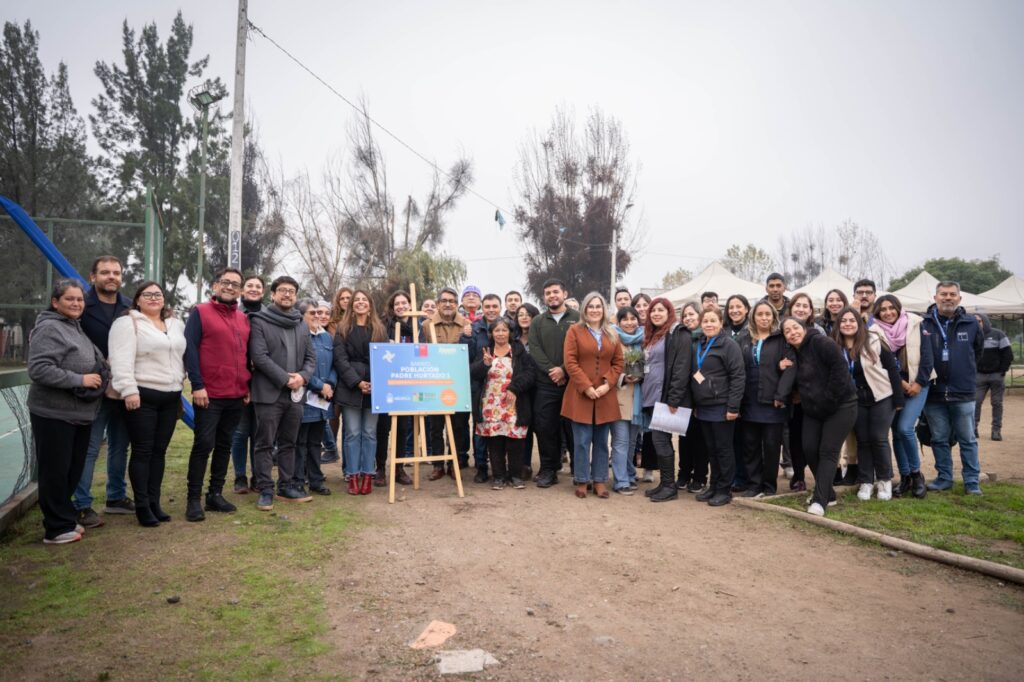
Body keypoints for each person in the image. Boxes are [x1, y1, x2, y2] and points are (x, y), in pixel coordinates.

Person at [28, 280, 105, 544]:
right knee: (55, 471)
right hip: (53, 413)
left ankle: (65, 517)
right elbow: (38, 369)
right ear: (55, 302)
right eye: (70, 299)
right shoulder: (49, 328)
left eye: (80, 300)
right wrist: (79, 380)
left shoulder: (74, 327)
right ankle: (56, 528)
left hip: (78, 414)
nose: (76, 304)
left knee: (71, 469)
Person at [109, 282, 186, 527]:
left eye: (158, 294)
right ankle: (142, 506)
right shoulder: (127, 323)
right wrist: (129, 390)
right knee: (142, 450)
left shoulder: (176, 324)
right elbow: (121, 360)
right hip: (142, 395)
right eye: (147, 294)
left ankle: (154, 502)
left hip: (171, 395)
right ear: (138, 299)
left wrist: (182, 379)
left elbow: (181, 356)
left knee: (159, 451)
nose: (153, 298)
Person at [184, 268, 251, 522]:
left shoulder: (243, 319)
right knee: (203, 445)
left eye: (235, 284)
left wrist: (246, 386)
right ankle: (193, 499)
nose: (230, 287)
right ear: (215, 285)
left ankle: (215, 494)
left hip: (236, 394)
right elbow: (189, 349)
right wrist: (197, 384)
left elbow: (244, 355)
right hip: (209, 394)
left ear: (241, 291)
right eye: (226, 282)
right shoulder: (200, 312)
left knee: (225, 445)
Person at [249, 276, 316, 511]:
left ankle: (285, 485)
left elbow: (310, 358)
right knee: (265, 443)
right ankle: (265, 489)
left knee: (290, 442)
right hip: (269, 394)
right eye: (283, 291)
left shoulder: (301, 324)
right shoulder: (259, 321)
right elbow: (259, 356)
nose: (287, 295)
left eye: (291, 291)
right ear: (273, 295)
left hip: (295, 395)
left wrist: (303, 377)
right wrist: (285, 378)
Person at [74, 256, 132, 528]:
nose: (112, 277)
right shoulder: (80, 305)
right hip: (93, 389)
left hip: (123, 389)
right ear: (93, 276)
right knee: (89, 448)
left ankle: (116, 497)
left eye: (116, 273)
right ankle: (82, 505)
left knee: (121, 445)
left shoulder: (129, 307)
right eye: (105, 272)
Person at [781, 317, 857, 516]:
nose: (792, 332)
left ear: (804, 328)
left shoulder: (822, 342)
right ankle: (829, 493)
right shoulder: (794, 354)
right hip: (813, 409)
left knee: (828, 451)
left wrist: (828, 402)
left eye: (795, 327)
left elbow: (840, 371)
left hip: (841, 405)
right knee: (809, 448)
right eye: (787, 331)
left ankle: (820, 501)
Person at [833, 307, 903, 501]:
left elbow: (892, 369)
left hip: (881, 396)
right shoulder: (835, 346)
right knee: (863, 440)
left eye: (851, 320)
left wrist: (898, 400)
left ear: (859, 323)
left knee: (878, 438)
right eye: (843, 321)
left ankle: (884, 480)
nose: (848, 324)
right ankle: (866, 481)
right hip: (856, 400)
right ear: (838, 325)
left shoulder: (873, 341)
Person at [921, 281, 984, 494]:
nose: (948, 298)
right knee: (939, 438)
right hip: (934, 392)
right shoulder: (924, 323)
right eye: (943, 294)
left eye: (952, 294)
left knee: (967, 439)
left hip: (963, 392)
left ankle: (972, 481)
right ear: (935, 297)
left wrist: (964, 373)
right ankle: (944, 477)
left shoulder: (972, 323)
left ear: (959, 298)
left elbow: (977, 352)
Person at [561, 292, 623, 499]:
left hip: (604, 395)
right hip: (581, 394)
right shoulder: (574, 331)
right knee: (581, 441)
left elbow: (618, 363)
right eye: (591, 306)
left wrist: (608, 384)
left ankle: (599, 480)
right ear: (584, 310)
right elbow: (570, 362)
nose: (595, 310)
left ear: (604, 310)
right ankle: (581, 479)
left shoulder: (612, 333)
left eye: (598, 306)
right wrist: (586, 386)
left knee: (601, 441)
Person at [873, 295, 933, 499]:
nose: (888, 312)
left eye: (891, 308)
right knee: (896, 433)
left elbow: (928, 356)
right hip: (892, 387)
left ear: (898, 309)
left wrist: (918, 383)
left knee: (905, 428)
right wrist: (901, 383)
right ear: (877, 313)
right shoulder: (874, 331)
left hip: (919, 385)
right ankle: (905, 477)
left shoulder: (916, 324)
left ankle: (917, 475)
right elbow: (880, 363)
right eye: (883, 309)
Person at [470, 318, 537, 489]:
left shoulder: (518, 350)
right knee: (495, 441)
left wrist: (514, 388)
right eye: (497, 330)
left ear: (510, 332)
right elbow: (473, 373)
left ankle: (515, 475)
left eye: (504, 330)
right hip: (491, 404)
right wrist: (484, 364)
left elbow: (530, 373)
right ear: (491, 334)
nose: (500, 333)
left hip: (514, 403)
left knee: (515, 440)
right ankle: (498, 477)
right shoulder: (486, 350)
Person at [736, 302, 794, 497]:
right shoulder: (743, 339)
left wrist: (781, 395)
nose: (764, 318)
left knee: (770, 446)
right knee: (750, 445)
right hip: (748, 400)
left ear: (773, 317)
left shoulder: (781, 339)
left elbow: (790, 369)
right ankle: (754, 485)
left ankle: (769, 487)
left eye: (767, 314)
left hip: (773, 401)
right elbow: (737, 369)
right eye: (759, 314)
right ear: (753, 317)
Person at [334, 290, 388, 495]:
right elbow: (340, 359)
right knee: (353, 433)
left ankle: (368, 474)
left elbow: (385, 358)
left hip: (375, 388)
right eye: (356, 300)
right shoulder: (342, 329)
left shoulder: (379, 329)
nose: (360, 303)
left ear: (370, 305)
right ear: (351, 306)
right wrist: (357, 382)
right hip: (350, 388)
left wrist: (375, 381)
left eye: (364, 300)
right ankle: (353, 475)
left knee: (370, 433)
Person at [639, 298, 692, 502]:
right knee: (659, 440)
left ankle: (670, 486)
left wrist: (673, 398)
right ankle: (665, 483)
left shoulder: (678, 333)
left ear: (669, 312)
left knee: (661, 440)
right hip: (653, 396)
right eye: (653, 310)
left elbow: (681, 367)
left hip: (668, 398)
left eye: (661, 310)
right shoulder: (653, 336)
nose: (656, 313)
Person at [691, 308, 745, 506]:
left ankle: (724, 489)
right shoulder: (700, 344)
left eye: (713, 320)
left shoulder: (728, 345)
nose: (709, 324)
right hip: (704, 407)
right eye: (705, 320)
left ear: (721, 323)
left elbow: (738, 377)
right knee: (711, 449)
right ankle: (713, 486)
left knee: (723, 449)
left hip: (722, 406)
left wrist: (733, 407)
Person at [530, 278, 581, 488]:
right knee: (545, 428)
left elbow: (582, 349)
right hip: (546, 384)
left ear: (564, 293)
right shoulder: (538, 322)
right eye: (548, 293)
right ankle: (549, 470)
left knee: (574, 428)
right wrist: (553, 371)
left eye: (555, 292)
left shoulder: (578, 318)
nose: (552, 295)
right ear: (544, 297)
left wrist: (564, 370)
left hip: (573, 383)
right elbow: (534, 349)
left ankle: (579, 471)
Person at [424, 287, 473, 480]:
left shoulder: (466, 325)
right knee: (436, 426)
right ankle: (438, 464)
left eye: (451, 301)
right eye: (444, 300)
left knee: (459, 425)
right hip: (434, 384)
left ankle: (455, 462)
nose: (447, 304)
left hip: (458, 384)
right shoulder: (426, 326)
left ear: (456, 304)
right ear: (437, 304)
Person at [290, 298, 336, 496]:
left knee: (315, 442)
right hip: (303, 398)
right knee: (300, 443)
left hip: (322, 401)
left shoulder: (326, 338)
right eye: (313, 313)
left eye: (319, 312)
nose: (318, 316)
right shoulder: (297, 337)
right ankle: (298, 480)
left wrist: (330, 385)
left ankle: (316, 480)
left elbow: (334, 365)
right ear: (302, 316)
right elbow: (299, 368)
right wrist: (320, 386)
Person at [375, 290, 416, 486]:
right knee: (383, 428)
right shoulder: (384, 325)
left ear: (410, 304)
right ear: (392, 307)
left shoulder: (418, 326)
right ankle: (380, 468)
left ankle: (399, 468)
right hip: (388, 382)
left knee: (402, 427)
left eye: (404, 303)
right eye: (397, 303)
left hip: (407, 384)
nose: (400, 306)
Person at [464, 293, 504, 482]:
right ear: (482, 307)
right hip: (479, 385)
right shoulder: (474, 329)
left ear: (500, 307)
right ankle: (481, 466)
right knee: (479, 428)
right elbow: (468, 360)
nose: (491, 309)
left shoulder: (507, 328)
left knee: (501, 426)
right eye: (487, 306)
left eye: (494, 306)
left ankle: (500, 467)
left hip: (502, 387)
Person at [231, 274, 264, 494]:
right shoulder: (234, 314)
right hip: (240, 381)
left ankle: (258, 476)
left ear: (263, 292)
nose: (253, 289)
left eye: (258, 286)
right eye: (249, 286)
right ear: (243, 291)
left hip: (264, 382)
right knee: (241, 432)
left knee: (260, 433)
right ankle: (240, 477)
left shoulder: (269, 315)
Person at [675, 302, 709, 493]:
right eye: (685, 315)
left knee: (700, 439)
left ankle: (700, 477)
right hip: (683, 395)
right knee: (684, 438)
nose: (688, 318)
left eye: (692, 314)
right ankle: (683, 474)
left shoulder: (706, 338)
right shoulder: (680, 336)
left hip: (701, 395)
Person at [611, 306, 644, 494]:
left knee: (632, 442)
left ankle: (629, 474)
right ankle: (621, 480)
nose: (630, 322)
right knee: (620, 442)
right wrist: (623, 377)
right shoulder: (612, 339)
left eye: (633, 318)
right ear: (619, 322)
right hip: (619, 397)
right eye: (625, 319)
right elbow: (606, 368)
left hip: (638, 400)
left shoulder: (643, 340)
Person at [322, 287, 353, 467]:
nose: (346, 301)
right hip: (333, 372)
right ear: (338, 300)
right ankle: (331, 449)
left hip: (350, 373)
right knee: (332, 416)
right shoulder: (331, 322)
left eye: (349, 297)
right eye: (343, 298)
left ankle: (348, 464)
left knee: (349, 421)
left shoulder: (358, 319)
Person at [630, 292, 656, 481]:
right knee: (631, 428)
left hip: (652, 385)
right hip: (632, 386)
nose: (641, 309)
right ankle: (629, 467)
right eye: (637, 305)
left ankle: (649, 468)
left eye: (645, 304)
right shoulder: (628, 329)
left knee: (651, 430)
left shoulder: (657, 329)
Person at [974, 311, 1013, 441]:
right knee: (976, 402)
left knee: (997, 403)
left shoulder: (998, 334)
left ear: (984, 321)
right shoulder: (972, 335)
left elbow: (1008, 354)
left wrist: (1002, 371)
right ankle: (973, 429)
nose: (977, 323)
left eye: (979, 321)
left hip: (996, 375)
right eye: (974, 321)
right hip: (979, 376)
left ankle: (996, 430)